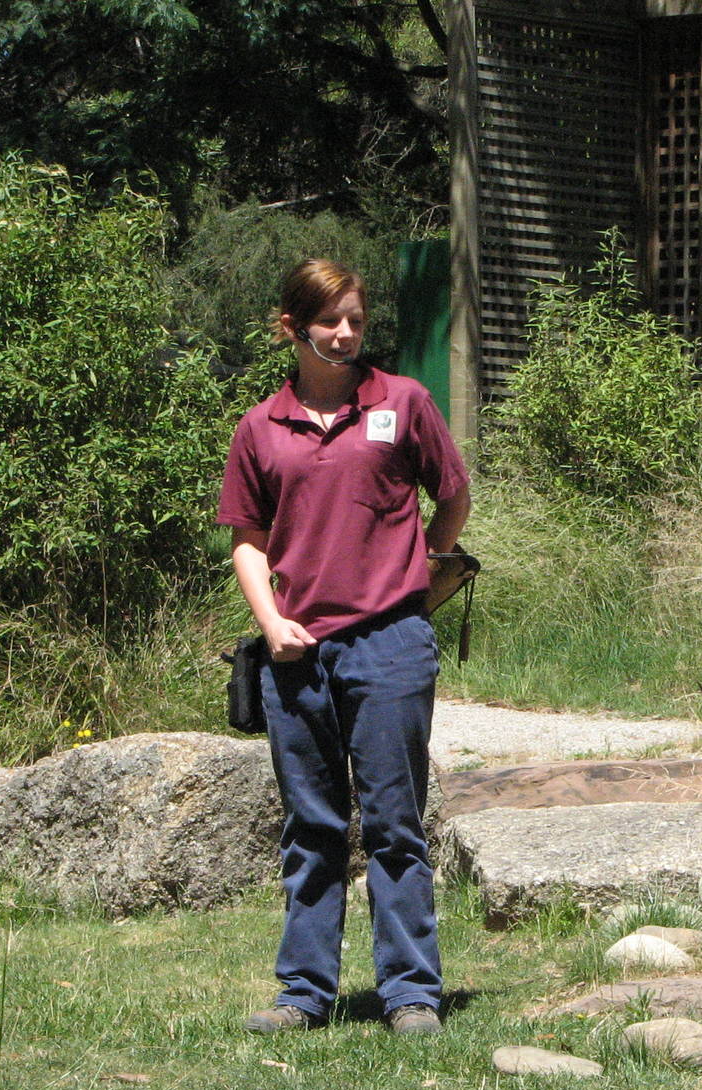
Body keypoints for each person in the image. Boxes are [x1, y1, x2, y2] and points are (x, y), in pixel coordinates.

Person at [217, 258, 470, 1036]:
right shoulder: (261, 428)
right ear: (292, 327)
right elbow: (248, 540)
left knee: (396, 824)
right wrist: (271, 622)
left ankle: (411, 995)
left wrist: (418, 572)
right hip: (297, 657)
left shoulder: (404, 402)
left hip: (391, 644)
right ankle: (303, 995)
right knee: (313, 829)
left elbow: (452, 496)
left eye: (356, 319)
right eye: (330, 320)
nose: (347, 332)